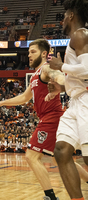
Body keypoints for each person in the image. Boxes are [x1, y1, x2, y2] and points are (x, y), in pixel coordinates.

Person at [0, 39, 88, 200]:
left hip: (52, 118)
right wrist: (2, 102)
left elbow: (60, 77)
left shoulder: (47, 69)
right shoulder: (35, 75)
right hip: (50, 118)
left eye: (32, 52)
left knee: (31, 156)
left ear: (43, 54)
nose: (29, 55)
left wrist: (61, 84)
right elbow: (25, 98)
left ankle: (50, 196)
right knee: (63, 159)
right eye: (28, 53)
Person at [48, 1, 88, 199]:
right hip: (75, 101)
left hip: (87, 102)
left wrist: (60, 66)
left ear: (71, 15)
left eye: (64, 16)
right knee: (62, 150)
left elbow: (87, 71)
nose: (62, 20)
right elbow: (79, 78)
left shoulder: (80, 35)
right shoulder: (75, 38)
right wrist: (62, 87)